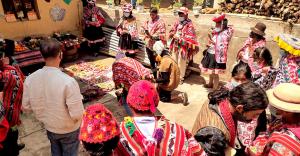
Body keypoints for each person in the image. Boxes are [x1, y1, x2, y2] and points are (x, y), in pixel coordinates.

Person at [22, 39, 84, 156]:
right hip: (69, 129)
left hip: (50, 126)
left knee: (55, 151)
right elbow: (77, 114)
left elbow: (26, 107)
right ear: (60, 54)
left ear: (42, 55)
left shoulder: (30, 79)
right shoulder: (68, 82)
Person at [117, 80, 204, 155]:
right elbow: (197, 152)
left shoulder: (118, 134)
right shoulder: (178, 130)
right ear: (156, 103)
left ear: (129, 104)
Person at [192, 82, 269, 155]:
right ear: (240, 108)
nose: (256, 118)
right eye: (256, 114)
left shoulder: (221, 98)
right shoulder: (215, 135)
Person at [247, 83, 300, 156]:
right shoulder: (283, 120)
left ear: (286, 111)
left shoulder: (285, 141)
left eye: (276, 106)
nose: (274, 108)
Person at [0, 51, 25, 156]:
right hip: (3, 125)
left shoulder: (9, 71)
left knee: (13, 131)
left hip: (9, 112)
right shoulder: (6, 74)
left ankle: (14, 145)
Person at [200, 13, 234, 90]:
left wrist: (213, 43)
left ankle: (215, 88)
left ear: (222, 24)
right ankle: (210, 83)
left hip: (217, 56)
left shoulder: (225, 34)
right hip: (211, 53)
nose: (216, 25)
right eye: (216, 23)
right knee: (211, 71)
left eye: (218, 23)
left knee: (215, 73)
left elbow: (222, 46)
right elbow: (215, 41)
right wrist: (210, 44)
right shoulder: (217, 32)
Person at [168, 7, 199, 84]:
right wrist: (172, 34)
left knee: (181, 63)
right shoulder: (177, 22)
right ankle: (173, 76)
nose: (180, 15)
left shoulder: (190, 25)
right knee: (174, 60)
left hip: (183, 47)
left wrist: (180, 38)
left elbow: (191, 38)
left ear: (186, 15)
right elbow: (172, 30)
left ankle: (180, 78)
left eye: (181, 14)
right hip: (175, 45)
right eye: (179, 14)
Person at [140, 7, 166, 78]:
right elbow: (142, 28)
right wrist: (144, 31)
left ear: (156, 14)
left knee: (158, 62)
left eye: (153, 15)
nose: (151, 16)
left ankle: (160, 78)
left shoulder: (161, 22)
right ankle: (154, 77)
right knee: (151, 62)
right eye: (150, 14)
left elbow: (162, 34)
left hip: (157, 46)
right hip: (149, 45)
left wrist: (152, 36)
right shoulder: (148, 21)